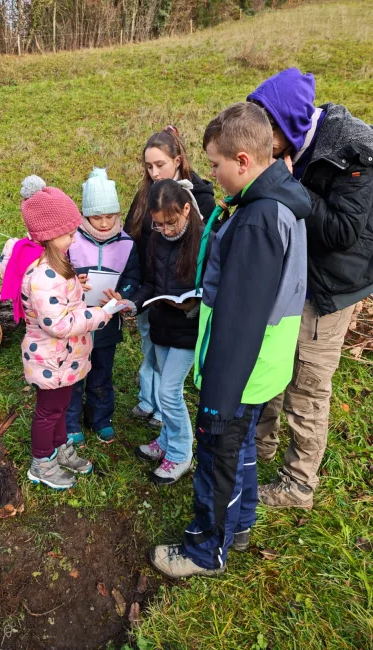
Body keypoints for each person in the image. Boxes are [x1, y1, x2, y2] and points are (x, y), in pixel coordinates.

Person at [150, 102, 310, 578]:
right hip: (262, 368)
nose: (212, 174)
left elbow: (241, 319)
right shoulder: (277, 201)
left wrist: (217, 400)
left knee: (218, 459)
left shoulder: (257, 220)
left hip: (239, 372)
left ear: (243, 160)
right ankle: (240, 524)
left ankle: (205, 550)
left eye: (216, 164)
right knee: (240, 451)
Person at [247, 68, 373, 508]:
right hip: (287, 276)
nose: (259, 143)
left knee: (307, 383)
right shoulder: (287, 142)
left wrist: (287, 184)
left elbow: (342, 232)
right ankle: (260, 445)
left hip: (328, 287)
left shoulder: (354, 150)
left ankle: (298, 483)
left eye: (266, 134)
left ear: (287, 124)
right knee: (271, 362)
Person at [0, 175, 111, 490]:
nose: (74, 239)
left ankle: (60, 448)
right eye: (70, 233)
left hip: (63, 358)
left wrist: (75, 288)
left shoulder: (51, 262)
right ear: (50, 234)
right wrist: (99, 315)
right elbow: (58, 324)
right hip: (52, 358)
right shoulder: (43, 275)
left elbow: (57, 298)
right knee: (48, 412)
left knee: (60, 408)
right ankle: (41, 463)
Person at [125, 126, 215, 429]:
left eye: (159, 164)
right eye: (148, 166)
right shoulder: (146, 197)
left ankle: (167, 418)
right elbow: (131, 236)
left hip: (183, 307)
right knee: (150, 347)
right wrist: (134, 291)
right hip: (151, 290)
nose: (154, 172)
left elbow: (208, 261)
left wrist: (192, 301)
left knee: (170, 378)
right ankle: (149, 401)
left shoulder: (199, 200)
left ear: (177, 160)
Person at [121, 179, 204, 485]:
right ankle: (167, 440)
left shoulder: (205, 240)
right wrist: (132, 303)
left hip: (188, 328)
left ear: (186, 209)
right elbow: (150, 283)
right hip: (161, 323)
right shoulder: (156, 239)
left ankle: (181, 454)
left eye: (171, 222)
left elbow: (214, 289)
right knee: (168, 392)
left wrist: (193, 307)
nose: (166, 230)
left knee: (168, 392)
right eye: (159, 224)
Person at [65, 168, 140, 446]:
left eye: (110, 216)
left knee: (102, 372)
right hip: (75, 322)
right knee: (74, 373)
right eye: (97, 217)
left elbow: (134, 277)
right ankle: (71, 422)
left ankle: (100, 418)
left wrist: (123, 294)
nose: (105, 223)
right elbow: (57, 272)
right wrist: (73, 280)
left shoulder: (127, 244)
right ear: (85, 216)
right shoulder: (71, 240)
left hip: (107, 323)